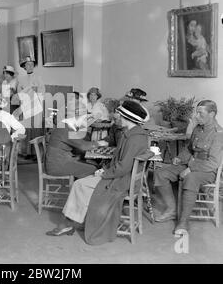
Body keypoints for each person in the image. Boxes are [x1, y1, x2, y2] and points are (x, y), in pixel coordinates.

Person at [46, 100, 149, 246]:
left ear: (127, 118)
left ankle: (70, 222)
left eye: (119, 115)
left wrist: (103, 173)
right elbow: (122, 164)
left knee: (79, 185)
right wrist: (105, 169)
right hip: (122, 177)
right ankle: (74, 219)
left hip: (120, 181)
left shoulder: (132, 138)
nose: (116, 117)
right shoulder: (133, 134)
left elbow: (123, 167)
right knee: (82, 182)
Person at [154, 100, 223, 234]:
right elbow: (190, 149)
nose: (196, 116)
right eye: (196, 112)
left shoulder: (218, 133)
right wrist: (180, 157)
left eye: (200, 113)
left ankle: (183, 222)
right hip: (190, 164)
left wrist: (190, 168)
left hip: (207, 171)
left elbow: (213, 163)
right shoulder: (198, 128)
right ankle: (171, 210)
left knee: (191, 178)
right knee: (160, 173)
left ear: (212, 114)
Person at [45, 92, 100, 179]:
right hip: (57, 165)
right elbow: (83, 146)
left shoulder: (65, 124)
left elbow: (79, 143)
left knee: (88, 163)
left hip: (59, 161)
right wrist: (99, 143)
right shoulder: (66, 128)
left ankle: (77, 186)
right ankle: (80, 190)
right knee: (93, 169)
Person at [17, 56, 45, 157]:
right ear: (24, 66)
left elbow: (42, 91)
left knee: (36, 128)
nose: (30, 66)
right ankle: (26, 151)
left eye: (32, 65)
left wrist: (35, 90)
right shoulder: (21, 78)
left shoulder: (38, 78)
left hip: (36, 105)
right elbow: (19, 92)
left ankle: (36, 153)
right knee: (26, 127)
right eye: (28, 65)